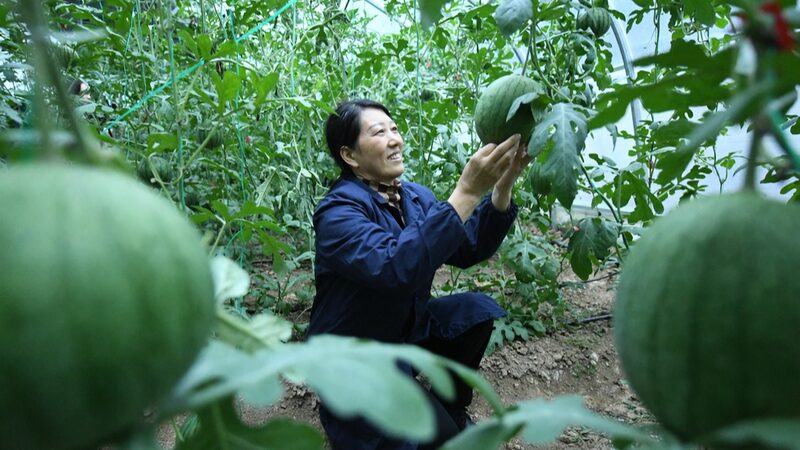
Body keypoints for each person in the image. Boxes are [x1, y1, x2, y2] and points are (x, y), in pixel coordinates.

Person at [307, 99, 531, 450]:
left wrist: (501, 186)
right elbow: (396, 267)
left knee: (475, 314)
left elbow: (469, 246)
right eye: (379, 132)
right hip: (354, 357)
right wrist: (467, 192)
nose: (395, 138)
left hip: (400, 333)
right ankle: (349, 417)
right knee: (428, 441)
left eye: (394, 129)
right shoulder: (337, 212)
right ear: (350, 156)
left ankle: (448, 404)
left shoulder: (413, 197)